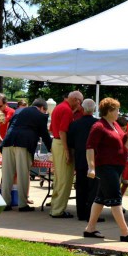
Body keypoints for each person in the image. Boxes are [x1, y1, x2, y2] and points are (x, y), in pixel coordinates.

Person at [82, 98, 128, 243]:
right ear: (109, 111)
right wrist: (91, 167)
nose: (118, 112)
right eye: (116, 110)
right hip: (106, 167)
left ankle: (90, 228)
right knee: (115, 198)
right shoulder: (99, 126)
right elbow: (90, 147)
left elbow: (121, 144)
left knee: (100, 198)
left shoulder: (115, 125)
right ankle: (125, 232)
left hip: (116, 166)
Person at [0, 98, 52, 211]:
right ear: (42, 108)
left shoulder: (19, 111)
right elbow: (45, 135)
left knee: (7, 174)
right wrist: (51, 149)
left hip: (8, 141)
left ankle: (5, 203)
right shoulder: (41, 115)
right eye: (45, 111)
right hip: (23, 144)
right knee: (23, 174)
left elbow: (10, 127)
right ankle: (22, 204)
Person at [49, 91, 83, 219]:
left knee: (59, 178)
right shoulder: (67, 110)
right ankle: (58, 210)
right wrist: (67, 151)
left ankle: (55, 207)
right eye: (79, 101)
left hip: (56, 143)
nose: (79, 104)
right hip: (62, 144)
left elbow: (52, 128)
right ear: (74, 99)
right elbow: (63, 131)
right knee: (65, 179)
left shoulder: (59, 107)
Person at [67, 99, 99, 223]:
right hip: (94, 160)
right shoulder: (97, 124)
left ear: (83, 108)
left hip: (80, 158)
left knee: (80, 187)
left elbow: (71, 143)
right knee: (93, 189)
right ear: (94, 109)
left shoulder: (75, 124)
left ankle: (81, 213)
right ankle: (91, 214)